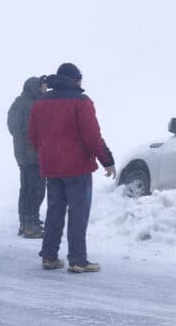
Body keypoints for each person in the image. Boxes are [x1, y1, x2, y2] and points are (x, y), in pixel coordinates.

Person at [28, 62, 115, 273]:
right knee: (78, 213)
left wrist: (48, 153)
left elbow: (32, 136)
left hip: (51, 167)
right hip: (77, 168)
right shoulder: (81, 102)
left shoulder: (40, 103)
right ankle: (77, 260)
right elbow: (92, 136)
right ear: (75, 79)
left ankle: (49, 256)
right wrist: (107, 160)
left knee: (54, 211)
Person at [7, 76, 47, 238]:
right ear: (34, 88)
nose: (45, 90)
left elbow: (12, 128)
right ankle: (31, 224)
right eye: (42, 87)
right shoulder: (31, 105)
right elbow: (33, 131)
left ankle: (25, 222)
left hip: (22, 155)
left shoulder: (18, 103)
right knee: (36, 190)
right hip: (33, 155)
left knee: (26, 189)